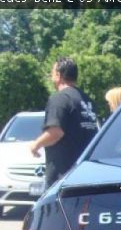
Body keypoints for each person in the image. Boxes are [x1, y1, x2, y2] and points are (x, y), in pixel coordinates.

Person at [30, 57, 98, 187]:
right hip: (85, 174)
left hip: (63, 177)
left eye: (52, 72)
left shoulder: (59, 98)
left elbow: (56, 132)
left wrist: (36, 145)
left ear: (58, 75)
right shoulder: (86, 100)